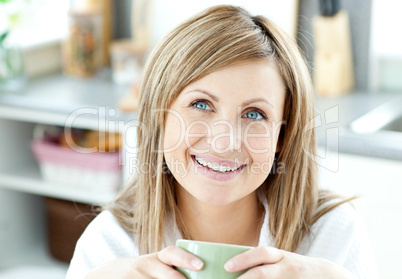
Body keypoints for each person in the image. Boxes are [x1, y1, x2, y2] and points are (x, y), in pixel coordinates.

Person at [66, 5, 377, 279]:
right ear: (160, 117)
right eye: (201, 105)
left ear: (282, 135)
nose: (224, 141)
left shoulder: (332, 239)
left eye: (255, 114)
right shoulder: (110, 245)